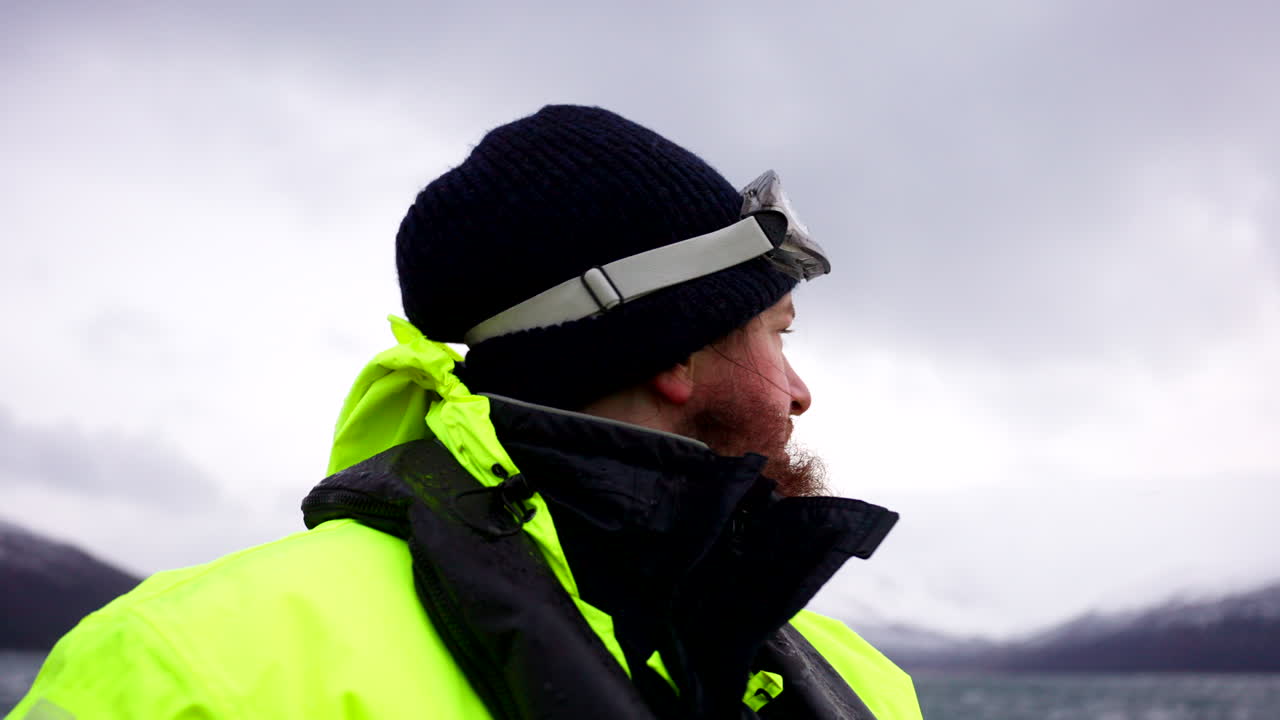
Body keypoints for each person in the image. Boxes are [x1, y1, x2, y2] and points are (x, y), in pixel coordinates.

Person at [8, 106, 922, 719]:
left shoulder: (871, 683)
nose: (800, 394)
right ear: (674, 353)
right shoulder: (181, 672)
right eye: (779, 334)